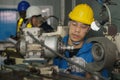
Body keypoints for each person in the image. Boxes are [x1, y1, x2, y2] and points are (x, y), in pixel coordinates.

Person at [53, 4, 109, 79]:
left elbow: (104, 77)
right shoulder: (55, 46)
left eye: (83, 27)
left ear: (88, 29)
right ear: (69, 24)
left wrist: (89, 72)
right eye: (74, 24)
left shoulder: (95, 52)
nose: (77, 30)